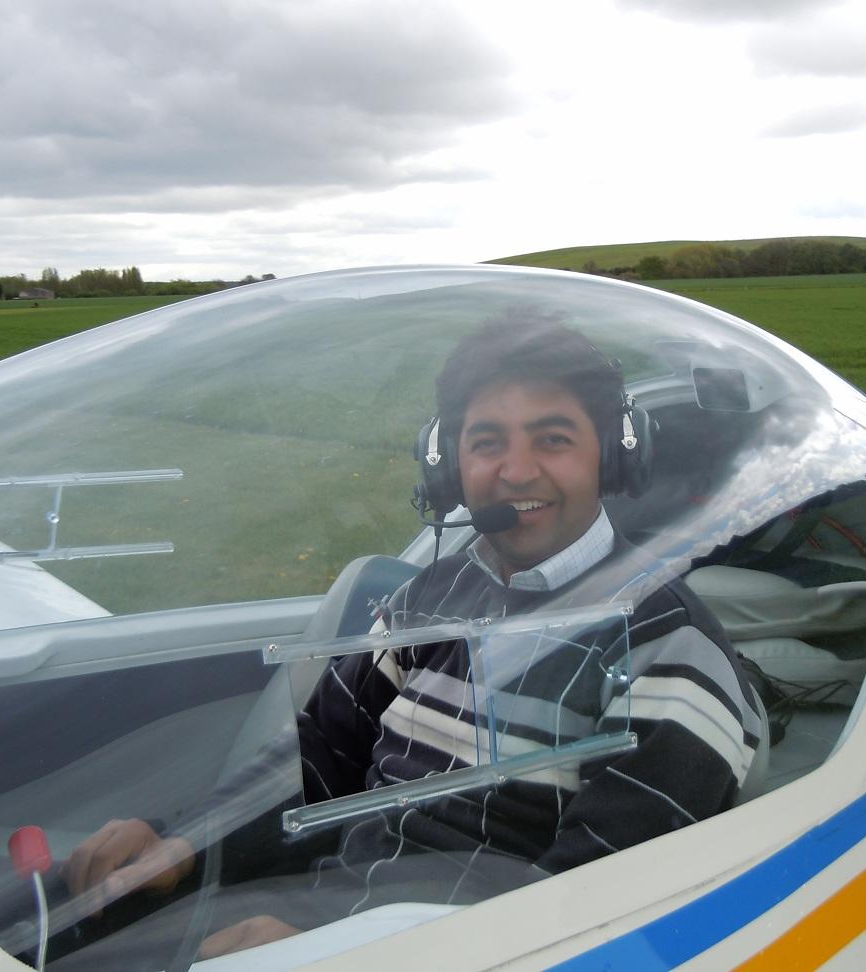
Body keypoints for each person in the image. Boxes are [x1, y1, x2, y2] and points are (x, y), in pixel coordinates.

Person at [58, 315, 763, 964]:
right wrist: (184, 843)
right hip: (328, 913)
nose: (516, 471)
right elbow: (320, 756)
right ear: (448, 464)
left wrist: (352, 950)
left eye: (553, 439)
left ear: (611, 456)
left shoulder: (670, 648)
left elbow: (594, 910)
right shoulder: (427, 598)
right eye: (487, 442)